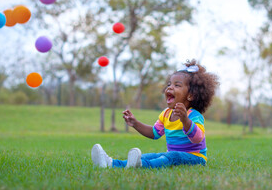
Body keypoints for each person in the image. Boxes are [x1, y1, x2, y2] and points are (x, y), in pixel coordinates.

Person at [91, 59, 220, 169]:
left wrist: (185, 120)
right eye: (169, 84)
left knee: (172, 156)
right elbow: (154, 133)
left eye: (177, 85)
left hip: (195, 158)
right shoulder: (165, 114)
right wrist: (135, 123)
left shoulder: (193, 115)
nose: (169, 87)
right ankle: (111, 163)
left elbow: (197, 138)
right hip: (173, 155)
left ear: (191, 95)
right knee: (150, 156)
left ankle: (141, 165)